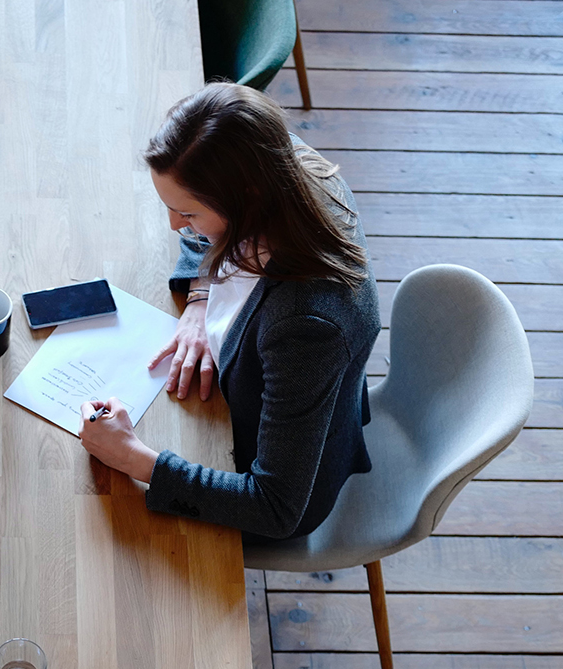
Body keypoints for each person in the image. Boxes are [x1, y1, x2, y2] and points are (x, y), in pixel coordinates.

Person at [77, 83, 378, 543]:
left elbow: (276, 507)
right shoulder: (276, 163)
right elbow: (203, 236)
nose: (175, 225)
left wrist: (133, 457)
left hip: (268, 480)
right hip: (246, 403)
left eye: (188, 213)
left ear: (248, 198)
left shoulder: (306, 327)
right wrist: (200, 299)